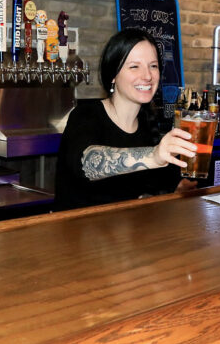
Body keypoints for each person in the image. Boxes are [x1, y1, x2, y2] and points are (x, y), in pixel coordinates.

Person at [56, 28, 198, 210]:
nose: (147, 76)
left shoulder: (150, 124)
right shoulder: (86, 115)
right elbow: (87, 163)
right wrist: (152, 156)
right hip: (77, 233)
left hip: (128, 233)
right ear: (113, 75)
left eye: (153, 66)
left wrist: (178, 187)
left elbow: (162, 185)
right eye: (134, 66)